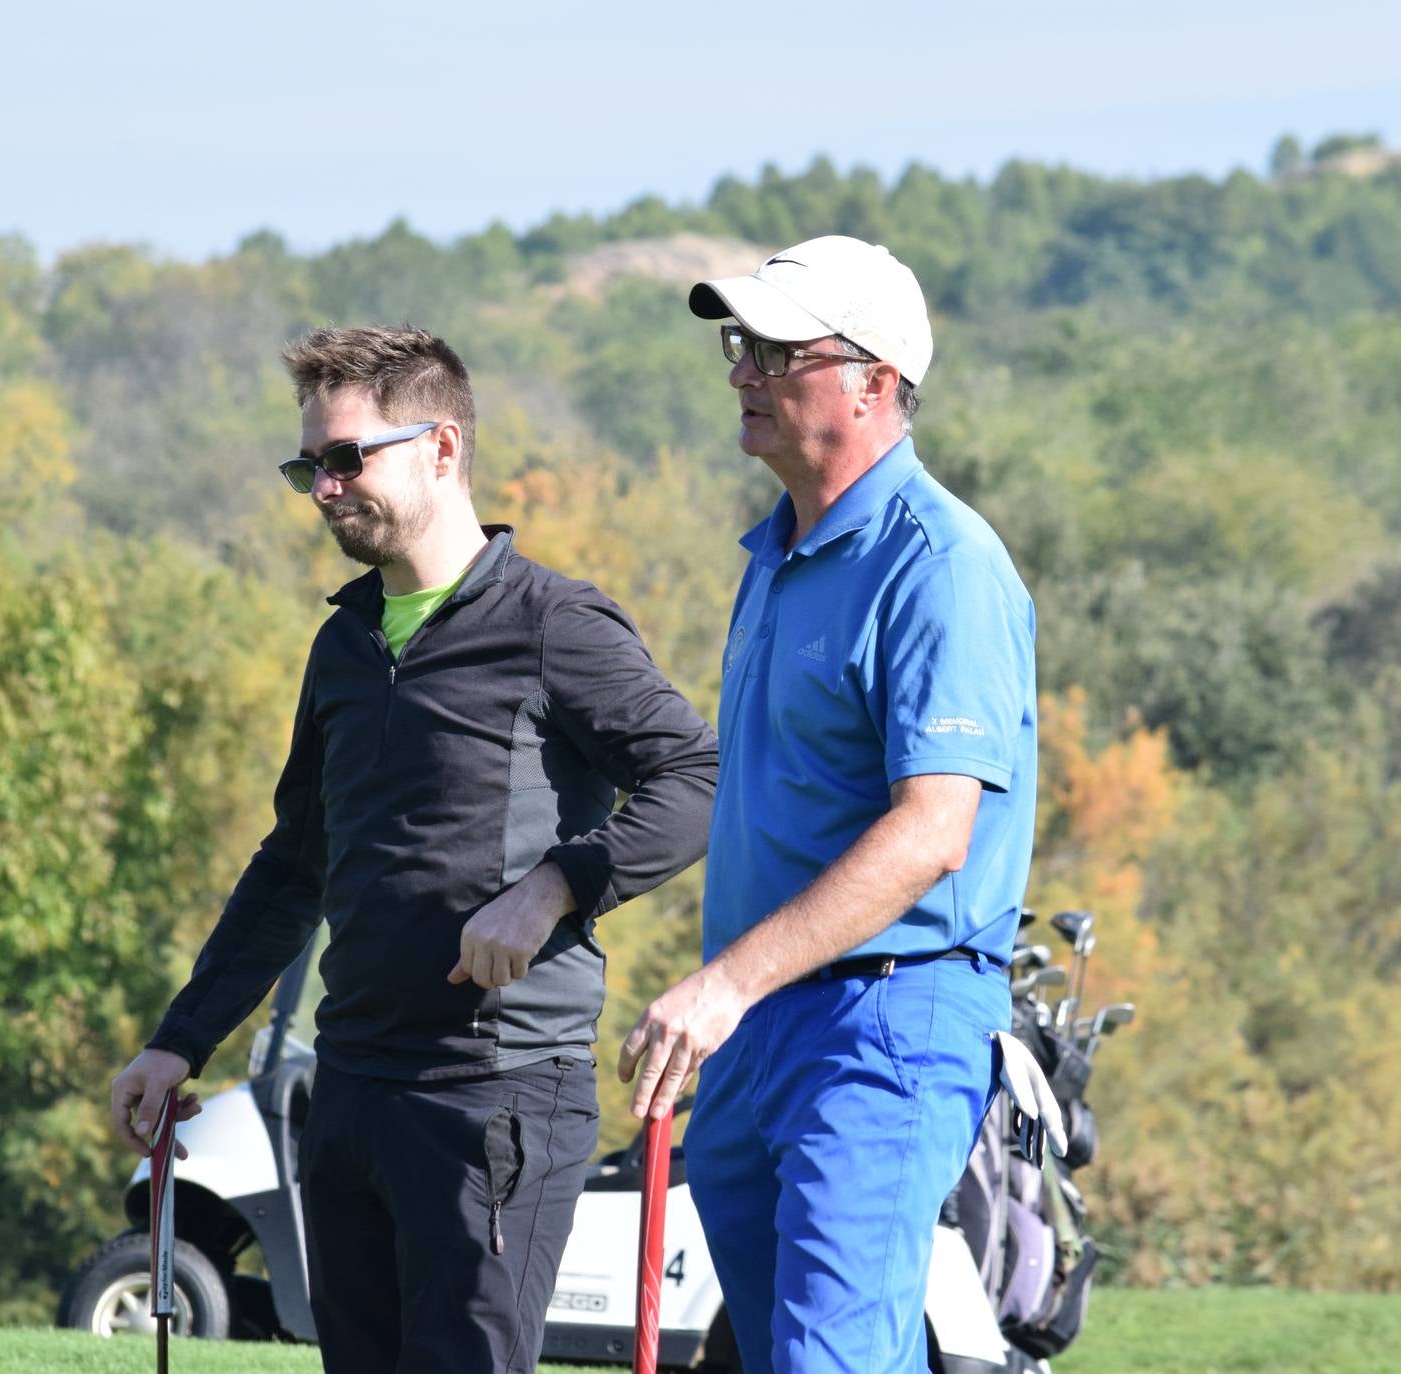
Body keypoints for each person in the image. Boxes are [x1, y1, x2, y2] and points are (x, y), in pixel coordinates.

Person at [110, 325, 718, 1374]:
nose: (323, 488)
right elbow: (293, 866)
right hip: (348, 1090)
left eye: (348, 458)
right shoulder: (343, 644)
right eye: (311, 465)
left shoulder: (554, 625)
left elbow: (699, 779)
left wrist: (555, 888)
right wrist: (181, 1038)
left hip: (496, 1096)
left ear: (443, 449)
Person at [617, 238, 1040, 1374]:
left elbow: (933, 833)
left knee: (822, 1363)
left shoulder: (942, 565)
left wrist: (724, 983)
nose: (742, 371)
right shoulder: (775, 554)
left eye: (776, 351)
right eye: (738, 344)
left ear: (874, 380)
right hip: (764, 1029)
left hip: (887, 1023)